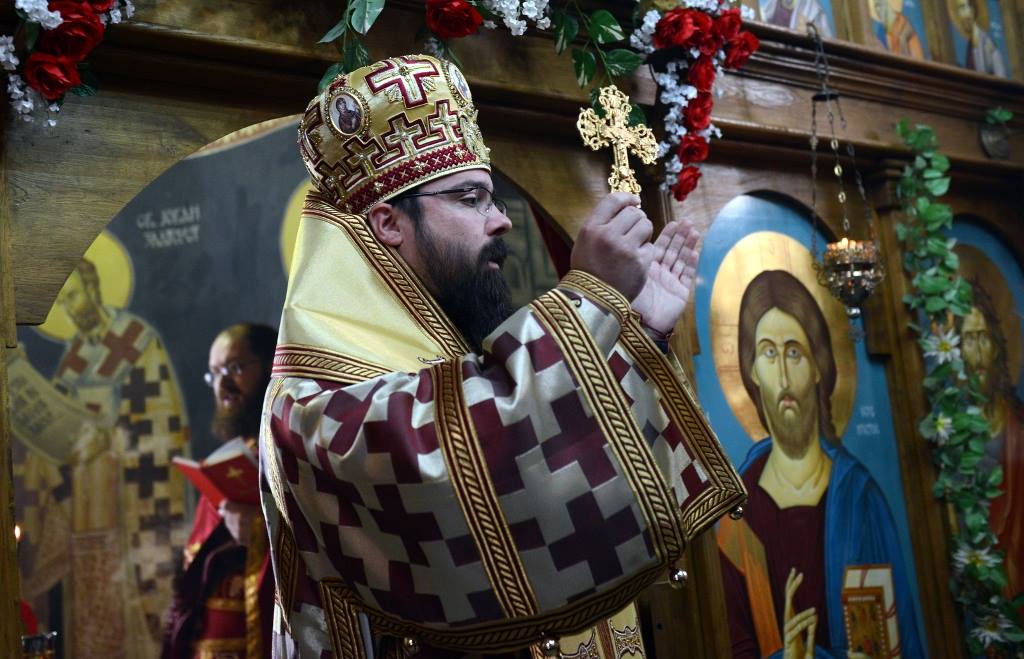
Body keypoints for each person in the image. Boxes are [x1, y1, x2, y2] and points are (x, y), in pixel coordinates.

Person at [262, 54, 745, 658]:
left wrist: (634, 329)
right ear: (387, 222)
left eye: (492, 199)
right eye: (470, 198)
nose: (501, 222)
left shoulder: (450, 339)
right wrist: (587, 304)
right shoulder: (309, 402)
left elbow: (555, 487)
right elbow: (463, 460)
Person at [716, 270, 921, 658]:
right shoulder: (738, 513)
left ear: (817, 366)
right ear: (752, 369)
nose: (782, 375)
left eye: (794, 352)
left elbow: (901, 637)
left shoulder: (860, 497)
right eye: (768, 353)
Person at [12, 257, 190, 658]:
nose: (71, 308)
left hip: (130, 512)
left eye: (74, 296)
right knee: (91, 623)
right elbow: (56, 434)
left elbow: (159, 427)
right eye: (63, 302)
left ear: (93, 289)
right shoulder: (76, 355)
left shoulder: (136, 342)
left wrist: (108, 438)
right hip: (86, 516)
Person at [162, 323, 277, 659]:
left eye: (235, 368)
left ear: (271, 367)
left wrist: (261, 531)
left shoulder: (292, 456)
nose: (222, 385)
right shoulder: (226, 463)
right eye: (214, 374)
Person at [960, 281, 1023, 602]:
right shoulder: (953, 427)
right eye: (969, 339)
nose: (979, 353)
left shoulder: (1017, 424)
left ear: (996, 346)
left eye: (984, 337)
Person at [952, 0, 1007, 76]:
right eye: (959, 9)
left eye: (963, 7)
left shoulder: (987, 44)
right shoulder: (971, 44)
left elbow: (1000, 74)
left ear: (972, 9)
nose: (961, 14)